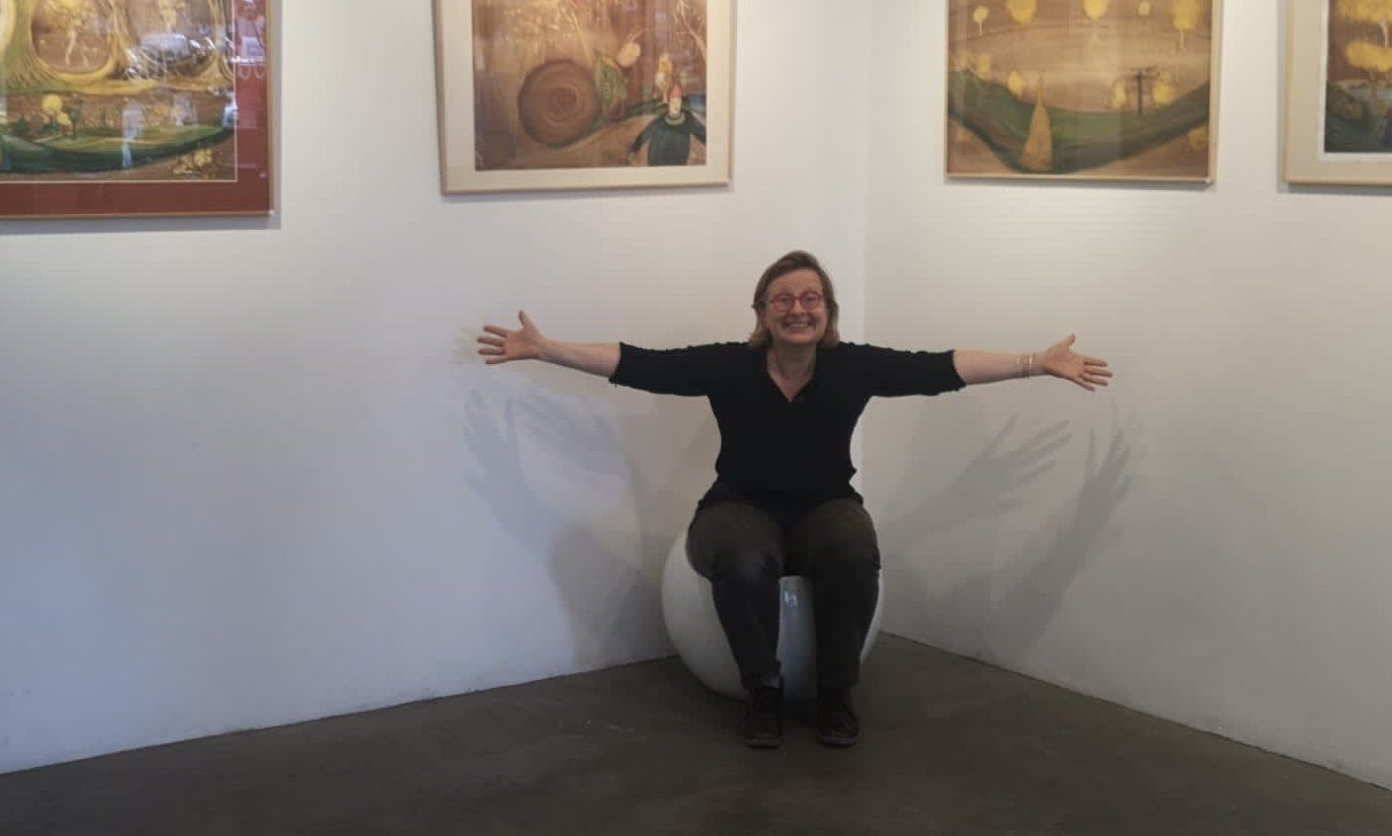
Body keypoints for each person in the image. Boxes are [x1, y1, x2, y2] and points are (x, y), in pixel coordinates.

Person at [476, 250, 1111, 749]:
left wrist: (1036, 361)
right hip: (737, 505)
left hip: (825, 505)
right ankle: (763, 691)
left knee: (852, 550)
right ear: (762, 312)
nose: (798, 309)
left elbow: (939, 368)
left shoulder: (853, 367)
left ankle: (835, 693)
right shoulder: (729, 365)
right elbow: (640, 364)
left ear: (828, 311)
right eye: (783, 299)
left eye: (811, 298)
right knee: (743, 559)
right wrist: (548, 349)